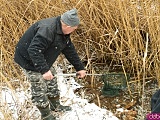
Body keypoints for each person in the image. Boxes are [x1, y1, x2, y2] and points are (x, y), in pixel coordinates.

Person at [14, 8, 86, 120]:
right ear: (67, 26)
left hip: (42, 57)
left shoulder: (62, 31)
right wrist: (43, 70)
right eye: (74, 28)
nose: (74, 30)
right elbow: (34, 50)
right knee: (39, 86)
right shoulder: (47, 29)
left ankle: (55, 105)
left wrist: (79, 68)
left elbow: (69, 50)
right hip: (29, 60)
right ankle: (46, 115)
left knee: (52, 78)